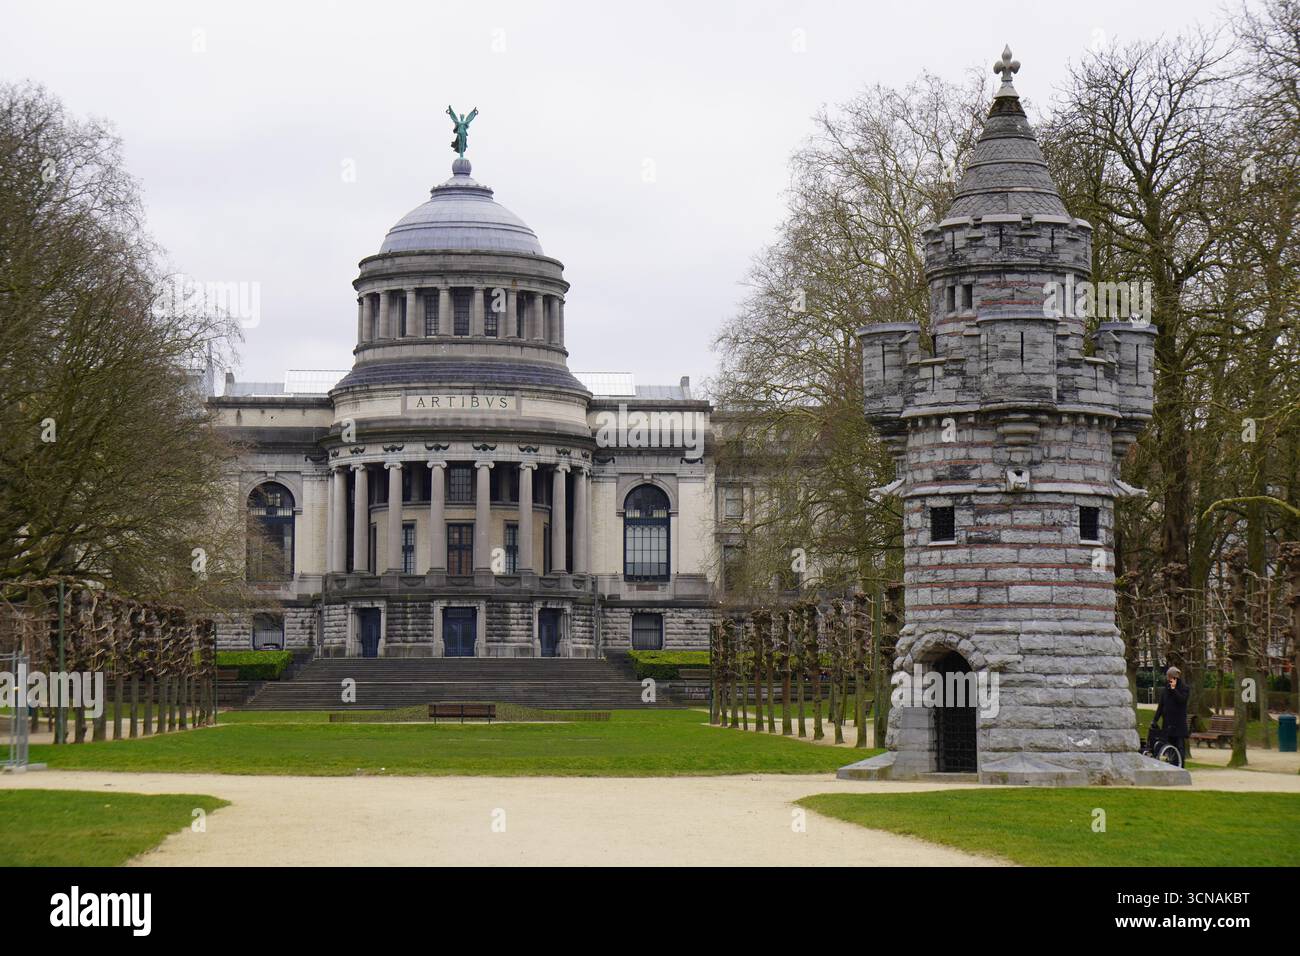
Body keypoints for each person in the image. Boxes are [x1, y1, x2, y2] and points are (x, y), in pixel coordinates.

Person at [1152, 665, 1190, 764]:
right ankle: (1172, 764)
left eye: (1170, 677)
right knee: (1169, 748)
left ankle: (1181, 765)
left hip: (1178, 724)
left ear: (1175, 677)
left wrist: (1173, 690)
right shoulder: (1166, 690)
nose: (1169, 680)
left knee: (1179, 746)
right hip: (1168, 723)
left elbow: (1182, 700)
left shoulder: (1184, 688)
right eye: (1168, 678)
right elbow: (1161, 706)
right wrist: (1155, 719)